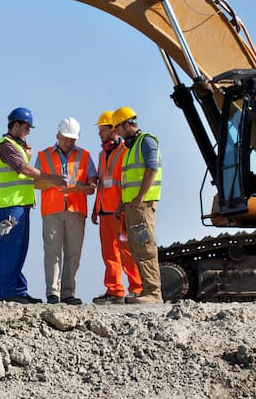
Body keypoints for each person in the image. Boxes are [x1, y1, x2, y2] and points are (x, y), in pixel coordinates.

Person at [0, 106, 66, 304]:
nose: (28, 131)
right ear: (15, 125)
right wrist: (53, 178)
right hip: (11, 207)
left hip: (20, 206)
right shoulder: (5, 146)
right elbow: (22, 168)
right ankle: (9, 292)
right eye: (26, 127)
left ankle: (18, 290)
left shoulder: (17, 147)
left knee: (19, 249)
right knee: (9, 249)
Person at [36, 117, 96, 304]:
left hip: (76, 210)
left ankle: (68, 293)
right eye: (66, 138)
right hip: (51, 209)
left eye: (73, 139)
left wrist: (77, 189)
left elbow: (92, 185)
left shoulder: (84, 155)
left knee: (73, 253)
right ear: (58, 135)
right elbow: (35, 182)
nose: (69, 142)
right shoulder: (43, 155)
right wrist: (53, 180)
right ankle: (52, 293)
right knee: (52, 251)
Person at [112, 106, 163, 304]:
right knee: (136, 247)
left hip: (142, 206)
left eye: (118, 128)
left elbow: (152, 168)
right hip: (132, 206)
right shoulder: (130, 148)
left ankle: (153, 293)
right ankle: (147, 290)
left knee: (145, 246)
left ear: (127, 124)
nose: (116, 133)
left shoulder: (146, 141)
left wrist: (140, 197)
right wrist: (121, 204)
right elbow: (127, 181)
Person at [90, 111, 142, 304]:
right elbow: (103, 183)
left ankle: (137, 288)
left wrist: (124, 207)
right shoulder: (102, 153)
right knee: (109, 253)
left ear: (113, 130)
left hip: (120, 210)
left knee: (127, 251)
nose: (99, 133)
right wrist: (96, 208)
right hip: (105, 211)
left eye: (102, 129)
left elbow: (125, 182)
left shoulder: (125, 152)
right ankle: (114, 290)